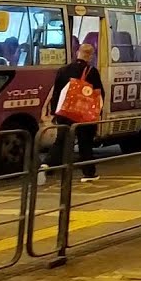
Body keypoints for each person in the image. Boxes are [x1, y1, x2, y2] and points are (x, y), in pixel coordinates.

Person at [45, 43, 105, 182]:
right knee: (85, 143)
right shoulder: (92, 71)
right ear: (90, 56)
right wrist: (97, 113)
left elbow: (56, 93)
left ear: (77, 52)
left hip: (65, 113)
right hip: (83, 115)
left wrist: (55, 113)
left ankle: (47, 164)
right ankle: (88, 174)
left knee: (61, 140)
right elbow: (99, 94)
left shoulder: (63, 70)